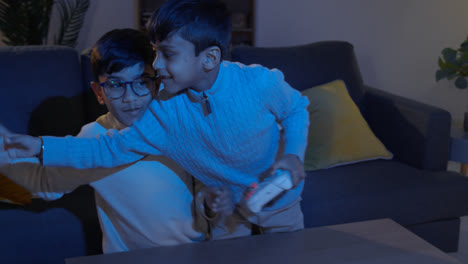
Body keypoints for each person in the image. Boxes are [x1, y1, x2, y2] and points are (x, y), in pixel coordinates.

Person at [1, 0, 309, 239]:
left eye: (167, 54)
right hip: (226, 215)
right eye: (154, 52)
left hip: (275, 199)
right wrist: (40, 146)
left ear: (210, 59)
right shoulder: (161, 114)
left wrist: (294, 154)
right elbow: (103, 151)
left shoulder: (257, 83)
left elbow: (296, 109)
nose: (157, 63)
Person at [0, 28, 207, 253]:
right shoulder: (93, 138)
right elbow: (47, 184)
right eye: (116, 85)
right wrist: (4, 152)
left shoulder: (175, 123)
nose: (130, 98)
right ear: (99, 92)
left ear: (157, 84)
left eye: (141, 82)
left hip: (194, 253)